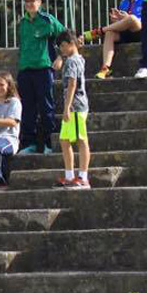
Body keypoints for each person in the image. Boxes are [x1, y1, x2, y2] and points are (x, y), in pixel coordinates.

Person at [16, 0, 64, 154]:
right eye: (26, 1)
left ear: (40, 2)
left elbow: (67, 37)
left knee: (46, 107)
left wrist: (61, 57)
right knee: (27, 108)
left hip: (43, 69)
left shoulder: (47, 20)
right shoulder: (22, 22)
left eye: (32, 0)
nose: (29, 4)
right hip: (25, 69)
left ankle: (49, 143)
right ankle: (29, 143)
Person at [84, 0, 145, 79]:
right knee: (110, 33)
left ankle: (99, 31)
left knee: (132, 18)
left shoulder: (146, 0)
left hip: (142, 31)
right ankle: (105, 68)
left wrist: (127, 18)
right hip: (126, 33)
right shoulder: (124, 2)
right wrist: (117, 20)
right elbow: (121, 23)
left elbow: (145, 20)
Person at [53, 31, 91, 188]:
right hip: (76, 106)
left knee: (81, 140)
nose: (62, 49)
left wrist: (67, 107)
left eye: (63, 46)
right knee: (64, 140)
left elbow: (72, 84)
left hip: (75, 106)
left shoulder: (71, 61)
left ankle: (83, 177)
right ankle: (70, 176)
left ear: (71, 44)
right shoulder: (78, 59)